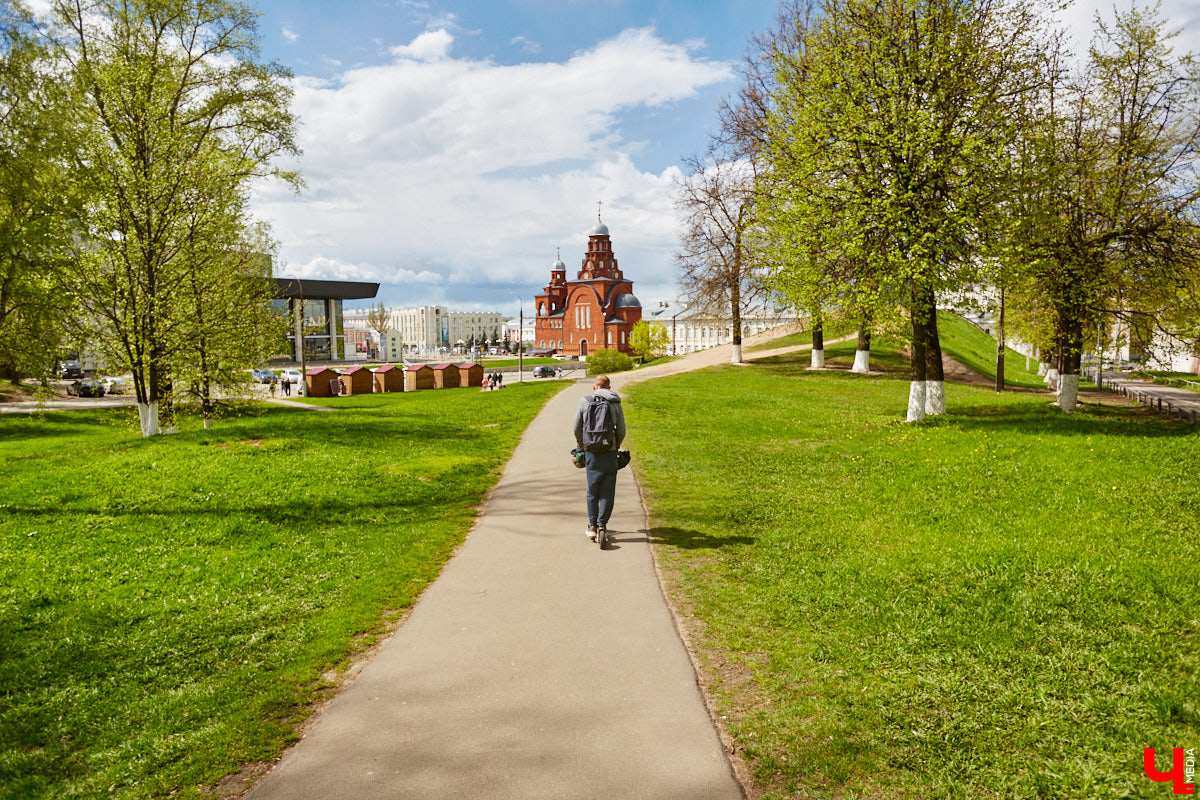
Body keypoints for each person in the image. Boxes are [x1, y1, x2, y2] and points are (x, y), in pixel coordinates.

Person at [573, 374, 626, 541]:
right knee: (607, 491)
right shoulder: (615, 402)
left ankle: (592, 526)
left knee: (592, 490)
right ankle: (603, 524)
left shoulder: (584, 401)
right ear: (609, 388)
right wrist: (615, 446)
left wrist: (582, 445)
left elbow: (576, 427)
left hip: (591, 452)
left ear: (594, 387)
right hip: (609, 451)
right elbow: (622, 430)